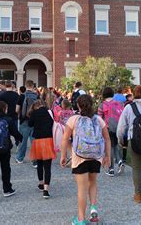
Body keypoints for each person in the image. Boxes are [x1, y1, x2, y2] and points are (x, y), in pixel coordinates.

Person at [61, 94, 111, 225]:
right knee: (93, 182)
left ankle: (81, 219)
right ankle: (93, 210)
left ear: (78, 105)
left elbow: (65, 138)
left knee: (82, 189)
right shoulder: (99, 120)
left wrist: (63, 156)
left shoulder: (73, 120)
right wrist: (108, 156)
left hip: (80, 158)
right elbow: (107, 138)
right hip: (95, 156)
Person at [0, 101, 23, 202]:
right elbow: (15, 133)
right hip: (4, 149)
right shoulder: (8, 120)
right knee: (5, 168)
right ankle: (7, 189)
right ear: (4, 109)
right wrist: (20, 138)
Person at [28, 99, 56, 199]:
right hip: (48, 140)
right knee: (47, 167)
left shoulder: (34, 113)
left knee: (39, 163)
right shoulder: (50, 112)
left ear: (35, 106)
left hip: (38, 141)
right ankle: (46, 190)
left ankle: (40, 183)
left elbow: (30, 124)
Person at [97, 87, 124, 176]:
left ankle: (111, 168)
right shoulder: (119, 103)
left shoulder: (102, 105)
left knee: (109, 148)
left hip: (107, 128)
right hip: (118, 127)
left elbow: (99, 119)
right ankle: (120, 161)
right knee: (115, 145)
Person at [15, 80, 39, 164]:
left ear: (25, 86)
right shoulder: (36, 96)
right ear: (33, 86)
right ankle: (35, 161)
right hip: (35, 121)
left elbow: (17, 109)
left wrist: (20, 115)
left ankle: (20, 158)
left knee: (23, 141)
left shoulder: (21, 96)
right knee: (34, 141)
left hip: (24, 120)